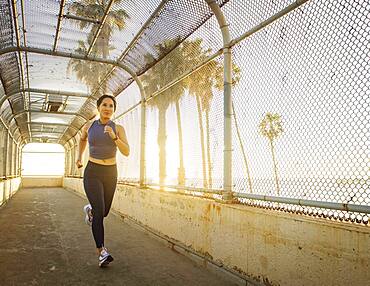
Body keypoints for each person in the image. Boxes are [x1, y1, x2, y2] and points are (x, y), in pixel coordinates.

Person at [76, 94, 130, 267]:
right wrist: (79, 157)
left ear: (114, 110)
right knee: (100, 213)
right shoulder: (89, 126)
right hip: (92, 171)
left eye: (111, 106)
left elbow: (127, 151)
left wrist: (114, 137)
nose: (108, 108)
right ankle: (102, 252)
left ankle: (90, 211)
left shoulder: (118, 128)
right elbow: (82, 139)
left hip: (110, 172)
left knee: (104, 212)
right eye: (105, 105)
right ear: (98, 108)